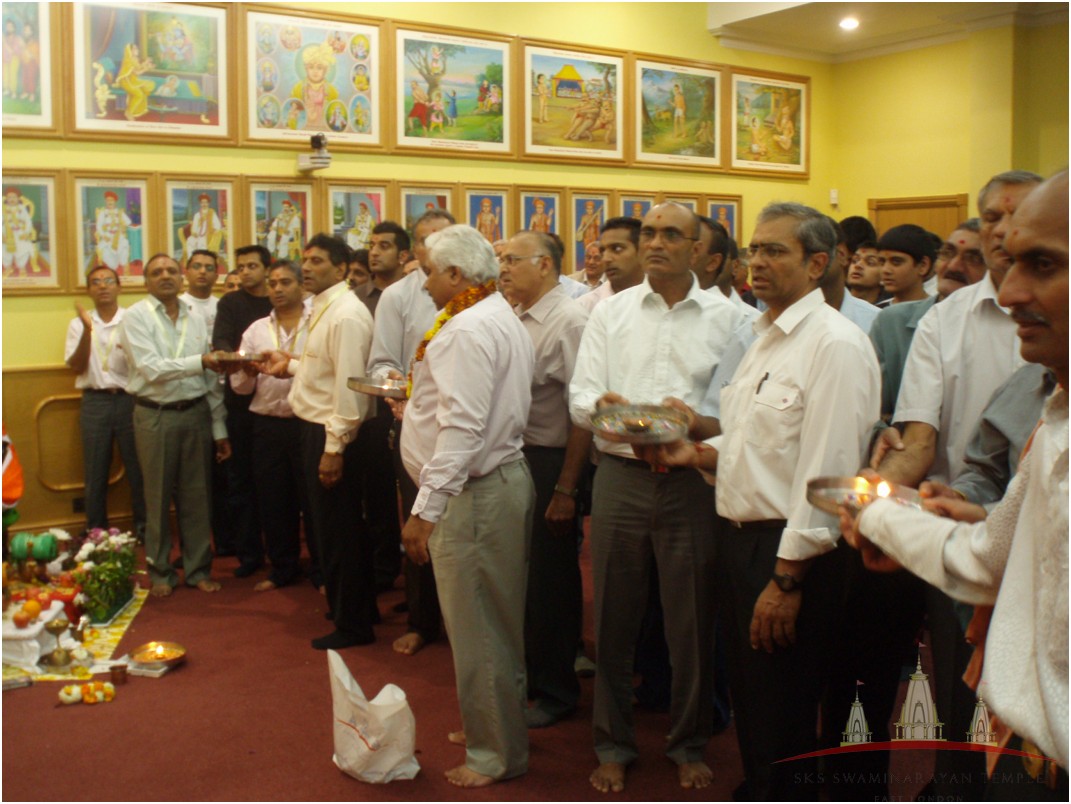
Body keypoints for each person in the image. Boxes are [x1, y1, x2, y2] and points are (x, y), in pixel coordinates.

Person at [640, 202, 880, 800]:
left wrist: (788, 579)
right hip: (741, 539)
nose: (758, 262)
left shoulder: (835, 345)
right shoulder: (761, 335)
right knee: (756, 701)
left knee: (786, 707)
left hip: (791, 552)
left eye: (776, 251)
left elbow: (828, 476)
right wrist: (695, 454)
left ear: (817, 263)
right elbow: (757, 445)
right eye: (755, 249)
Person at [841, 169, 1069, 794]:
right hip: (1030, 750)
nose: (1013, 290)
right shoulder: (1054, 419)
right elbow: (987, 556)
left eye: (1045, 265)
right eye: (1011, 259)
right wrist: (878, 510)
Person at [570, 203, 742, 794]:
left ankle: (688, 741)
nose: (657, 243)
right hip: (620, 475)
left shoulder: (731, 317)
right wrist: (604, 411)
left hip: (692, 481)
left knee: (691, 621)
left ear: (699, 249)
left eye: (673, 234)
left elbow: (733, 411)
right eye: (649, 233)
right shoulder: (610, 311)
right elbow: (582, 394)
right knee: (613, 617)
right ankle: (612, 743)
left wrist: (692, 424)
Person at [400, 224, 536, 788]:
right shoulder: (497, 313)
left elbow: (461, 430)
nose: (423, 280)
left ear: (456, 275)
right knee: (494, 621)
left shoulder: (464, 330)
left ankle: (493, 754)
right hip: (496, 482)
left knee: (480, 627)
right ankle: (496, 723)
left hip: (473, 495)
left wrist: (424, 511)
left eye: (428, 269)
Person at [263, 234, 377, 649]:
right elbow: (323, 370)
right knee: (333, 530)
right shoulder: (324, 307)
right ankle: (356, 609)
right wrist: (290, 364)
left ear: (342, 268)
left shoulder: (345, 314)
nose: (306, 267)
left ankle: (354, 625)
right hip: (317, 428)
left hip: (333, 434)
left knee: (339, 532)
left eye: (317, 261)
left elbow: (350, 391)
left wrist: (334, 449)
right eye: (304, 260)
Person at [499, 230, 591, 729]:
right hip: (516, 457)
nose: (505, 269)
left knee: (551, 582)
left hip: (552, 462)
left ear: (547, 265)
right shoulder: (513, 314)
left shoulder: (569, 320)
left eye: (513, 260)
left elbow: (584, 412)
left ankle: (558, 689)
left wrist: (566, 489)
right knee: (524, 581)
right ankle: (533, 679)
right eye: (501, 260)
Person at [368, 208, 455, 656]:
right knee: (418, 522)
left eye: (443, 238)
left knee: (462, 527)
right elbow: (381, 361)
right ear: (414, 249)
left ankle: (465, 620)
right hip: (417, 428)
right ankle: (423, 620)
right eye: (425, 240)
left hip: (467, 430)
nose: (433, 248)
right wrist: (397, 391)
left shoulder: (480, 292)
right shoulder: (399, 296)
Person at [119, 253, 229, 597]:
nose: (165, 276)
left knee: (198, 498)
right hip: (155, 415)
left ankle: (197, 570)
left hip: (195, 412)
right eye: (156, 272)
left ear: (180, 277)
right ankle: (161, 572)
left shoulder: (195, 317)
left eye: (171, 271)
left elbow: (210, 378)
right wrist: (200, 361)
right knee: (157, 496)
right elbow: (151, 368)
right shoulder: (136, 317)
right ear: (146, 281)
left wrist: (219, 428)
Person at [230, 260, 312, 592]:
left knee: (313, 499)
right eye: (273, 283)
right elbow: (240, 387)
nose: (277, 289)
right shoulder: (256, 329)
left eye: (285, 282)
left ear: (301, 286)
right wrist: (246, 373)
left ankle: (321, 570)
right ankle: (282, 567)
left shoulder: (318, 323)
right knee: (274, 500)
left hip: (306, 423)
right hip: (267, 425)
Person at [64, 266, 146, 541]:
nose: (102, 286)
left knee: (139, 469)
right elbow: (76, 366)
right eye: (96, 282)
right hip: (95, 402)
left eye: (108, 281)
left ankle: (145, 529)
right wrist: (88, 331)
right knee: (95, 470)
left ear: (119, 286)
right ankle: (96, 532)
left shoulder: (132, 319)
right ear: (89, 290)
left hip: (130, 401)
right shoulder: (78, 323)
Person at [212, 245, 273, 577]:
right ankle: (250, 554)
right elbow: (221, 346)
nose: (245, 272)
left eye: (252, 266)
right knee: (241, 480)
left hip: (278, 400)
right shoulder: (230, 303)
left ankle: (282, 553)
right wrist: (246, 362)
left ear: (267, 268)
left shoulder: (280, 301)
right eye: (241, 267)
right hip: (240, 403)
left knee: (275, 482)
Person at [578, 217, 644, 314]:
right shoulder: (585, 307)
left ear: (642, 251)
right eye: (602, 251)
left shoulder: (664, 299)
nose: (606, 258)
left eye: (617, 249)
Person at [875, 224, 935, 305]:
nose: (885, 270)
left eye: (896, 262)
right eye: (882, 262)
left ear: (923, 265)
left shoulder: (939, 312)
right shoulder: (875, 312)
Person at [292, 43, 337, 129]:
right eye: (311, 67)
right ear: (306, 69)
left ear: (325, 70)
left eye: (319, 68)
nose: (315, 71)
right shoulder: (298, 88)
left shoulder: (331, 90)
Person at [179, 249, 220, 333]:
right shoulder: (178, 305)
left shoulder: (221, 306)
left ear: (216, 277)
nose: (203, 271)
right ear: (187, 273)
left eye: (209, 268)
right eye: (197, 266)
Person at [3, 185, 37, 275]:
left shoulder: (22, 208)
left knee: (22, 248)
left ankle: (22, 267)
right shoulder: (2, 209)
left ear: (18, 198)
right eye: (9, 197)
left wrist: (26, 233)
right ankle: (8, 267)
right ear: (6, 198)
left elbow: (28, 222)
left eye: (14, 197)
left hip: (20, 234)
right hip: (6, 234)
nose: (12, 199)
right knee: (4, 251)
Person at [116, 43, 154, 121]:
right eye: (135, 49)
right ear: (130, 51)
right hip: (126, 82)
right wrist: (146, 68)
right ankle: (128, 112)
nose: (137, 50)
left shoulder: (135, 59)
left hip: (132, 80)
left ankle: (133, 111)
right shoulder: (128, 61)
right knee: (139, 94)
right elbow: (137, 72)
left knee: (144, 90)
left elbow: (138, 67)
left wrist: (146, 63)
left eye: (137, 48)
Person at [94, 191, 131, 272]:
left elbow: (128, 222)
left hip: (119, 236)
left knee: (124, 247)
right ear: (106, 202)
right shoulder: (103, 212)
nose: (109, 202)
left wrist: (122, 225)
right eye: (108, 200)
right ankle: (112, 267)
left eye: (111, 200)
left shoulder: (120, 212)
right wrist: (103, 235)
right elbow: (98, 227)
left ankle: (123, 266)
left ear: (115, 201)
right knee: (107, 253)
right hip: (107, 236)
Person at [846, 240, 888, 306]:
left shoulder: (886, 313)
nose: (858, 265)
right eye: (855, 260)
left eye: (870, 262)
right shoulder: (832, 302)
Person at [184, 194, 222, 259]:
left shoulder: (212, 213)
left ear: (208, 203)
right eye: (202, 203)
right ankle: (191, 260)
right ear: (200, 204)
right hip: (198, 235)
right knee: (190, 241)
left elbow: (218, 225)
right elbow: (194, 227)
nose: (204, 204)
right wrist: (194, 233)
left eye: (205, 202)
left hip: (208, 235)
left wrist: (214, 230)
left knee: (201, 244)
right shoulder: (197, 215)